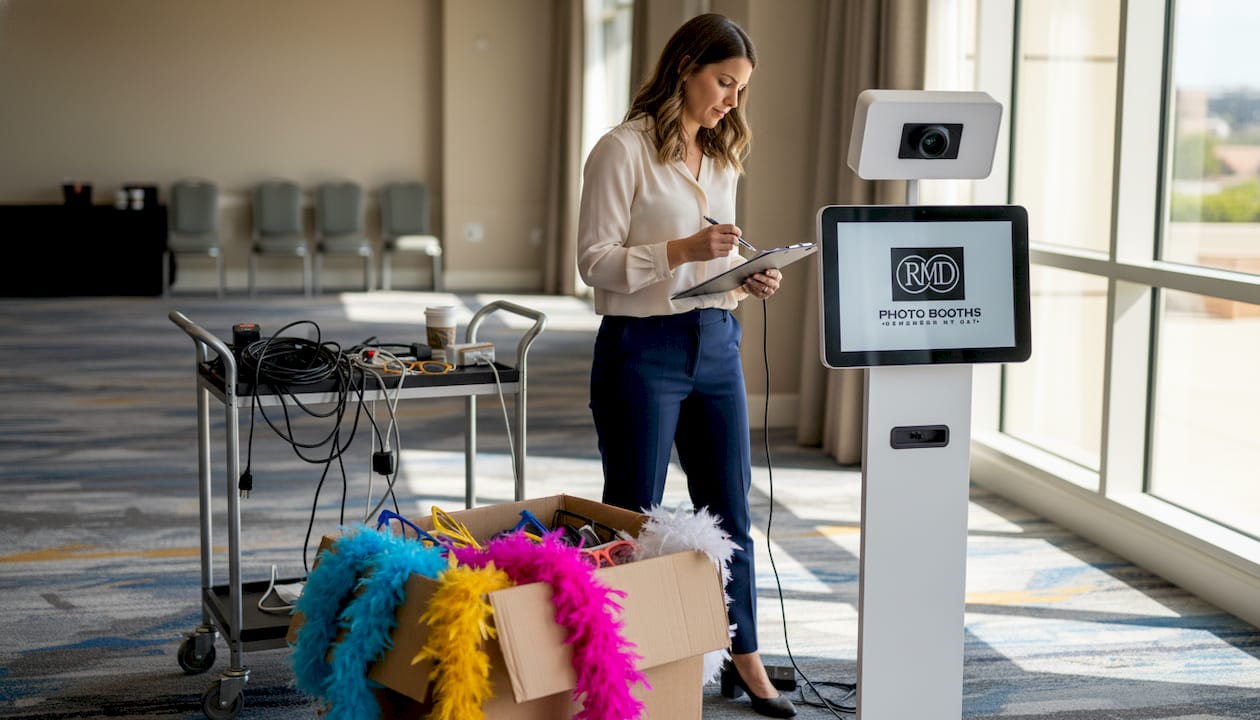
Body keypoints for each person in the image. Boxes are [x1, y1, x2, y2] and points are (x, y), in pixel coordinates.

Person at [576, 13, 795, 719]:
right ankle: (624, 661)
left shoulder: (723, 154)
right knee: (632, 513)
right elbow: (594, 262)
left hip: (716, 340)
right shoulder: (621, 150)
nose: (732, 100)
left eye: (741, 89)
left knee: (730, 508)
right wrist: (681, 251)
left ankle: (745, 654)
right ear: (686, 69)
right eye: (724, 82)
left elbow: (719, 254)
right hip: (643, 348)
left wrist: (747, 275)